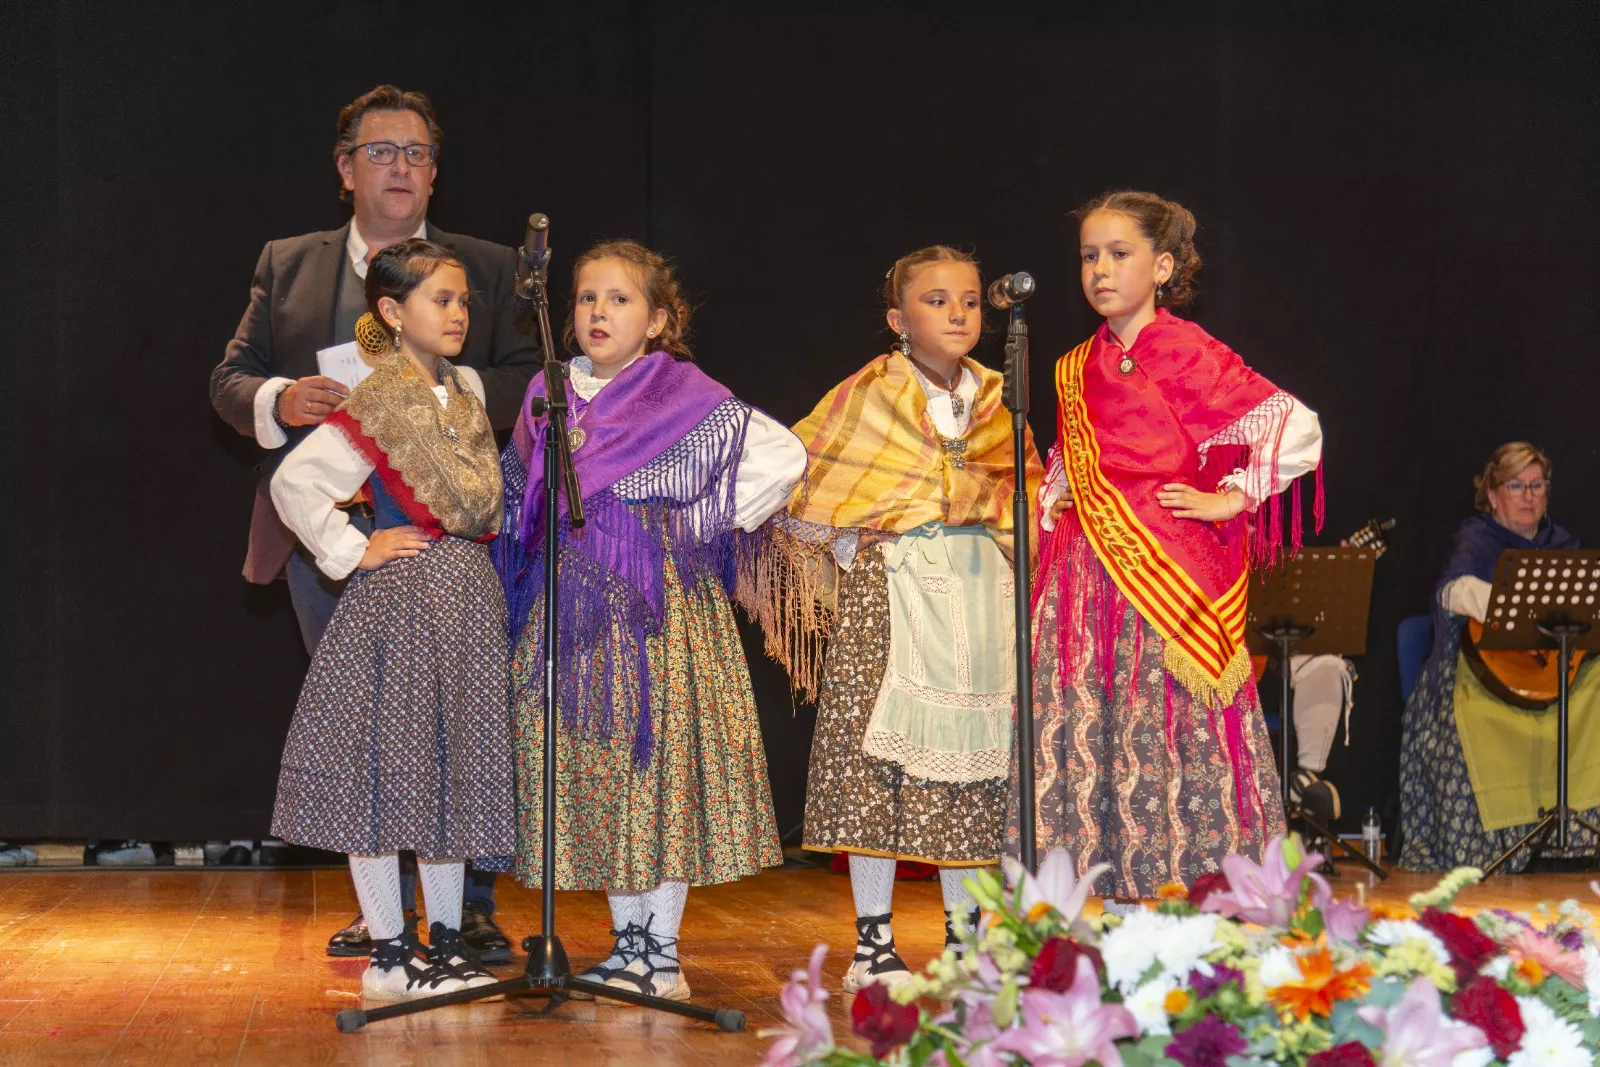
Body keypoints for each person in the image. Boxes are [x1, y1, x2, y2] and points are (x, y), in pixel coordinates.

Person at [209, 85, 534, 959]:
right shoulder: (291, 262)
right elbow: (231, 380)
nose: (403, 166)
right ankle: (385, 918)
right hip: (351, 555)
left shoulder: (486, 268)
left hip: (455, 540)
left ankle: (462, 910)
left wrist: (433, 403)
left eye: (418, 152)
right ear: (346, 167)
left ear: (435, 172)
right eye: (383, 151)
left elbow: (525, 380)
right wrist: (286, 400)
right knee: (376, 736)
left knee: (459, 730)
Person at [497, 240, 805, 1002]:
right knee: (597, 769)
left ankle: (658, 947)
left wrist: (693, 518)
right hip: (569, 607)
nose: (598, 311)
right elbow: (517, 493)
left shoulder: (682, 393)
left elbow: (780, 455)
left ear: (659, 319)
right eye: (586, 297)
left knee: (657, 766)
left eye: (620, 298)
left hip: (658, 608)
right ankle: (625, 936)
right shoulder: (549, 391)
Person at [1015, 191, 1323, 906]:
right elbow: (1073, 456)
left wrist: (1234, 496)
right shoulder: (1071, 366)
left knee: (1167, 731)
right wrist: (1056, 492)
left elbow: (1296, 427)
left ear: (1161, 267)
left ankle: (1190, 897)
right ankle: (1115, 893)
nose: (1099, 270)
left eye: (1118, 254)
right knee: (1102, 727)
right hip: (1087, 577)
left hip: (1167, 577)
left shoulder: (1187, 351)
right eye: (1089, 256)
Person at [747, 246, 1042, 992]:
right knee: (873, 765)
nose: (958, 313)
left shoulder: (1005, 397)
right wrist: (865, 528)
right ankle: (873, 939)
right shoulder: (866, 395)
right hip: (892, 594)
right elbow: (806, 484)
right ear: (896, 319)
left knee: (976, 769)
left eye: (971, 300)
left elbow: (1026, 499)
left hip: (982, 594)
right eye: (937, 300)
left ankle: (963, 936)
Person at [268, 239, 515, 1000]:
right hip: (403, 606)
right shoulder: (380, 401)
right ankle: (385, 952)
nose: (458, 313)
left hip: (468, 603)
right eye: (440, 299)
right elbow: (295, 483)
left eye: (463, 300)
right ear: (391, 310)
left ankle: (442, 943)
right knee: (385, 775)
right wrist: (354, 547)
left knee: (449, 777)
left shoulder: (463, 396)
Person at [1399, 442, 1599, 871]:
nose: (1528, 496)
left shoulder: (1563, 545)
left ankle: (1577, 837)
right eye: (1515, 486)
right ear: (1492, 495)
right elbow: (1455, 590)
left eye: (1537, 485)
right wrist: (1520, 612)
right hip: (1479, 675)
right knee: (1465, 721)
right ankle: (1487, 849)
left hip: (1553, 676)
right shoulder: (1477, 540)